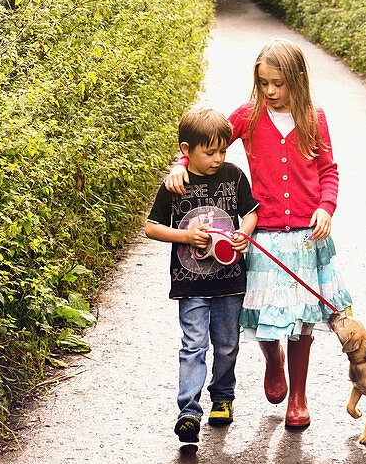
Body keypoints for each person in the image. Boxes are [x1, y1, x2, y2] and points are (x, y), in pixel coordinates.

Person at [166, 38, 352, 430]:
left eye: (278, 84)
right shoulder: (248, 116)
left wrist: (325, 207)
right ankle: (273, 361)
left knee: (303, 318)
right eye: (263, 83)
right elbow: (209, 138)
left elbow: (328, 170)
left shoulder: (313, 117)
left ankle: (298, 395)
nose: (270, 91)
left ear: (298, 79)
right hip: (262, 235)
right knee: (264, 311)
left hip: (305, 234)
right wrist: (181, 164)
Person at [146, 105, 258, 443]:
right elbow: (151, 228)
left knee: (226, 345)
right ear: (186, 151)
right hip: (189, 283)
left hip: (229, 282)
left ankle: (222, 398)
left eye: (223, 150)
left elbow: (251, 212)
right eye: (209, 152)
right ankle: (189, 412)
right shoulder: (175, 185)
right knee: (193, 345)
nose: (217, 158)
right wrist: (184, 236)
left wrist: (245, 234)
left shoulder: (233, 175)